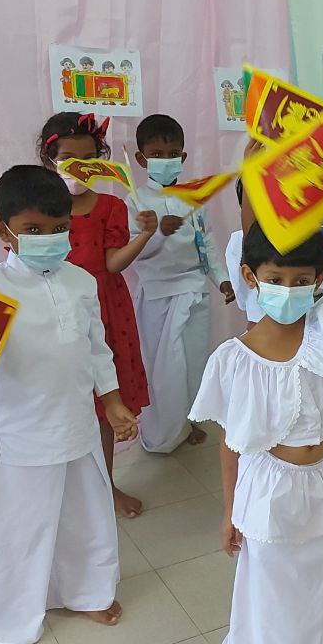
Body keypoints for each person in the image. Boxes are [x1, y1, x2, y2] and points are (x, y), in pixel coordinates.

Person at [0, 165, 138, 643]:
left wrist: (111, 401)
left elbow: (96, 347)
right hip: (25, 432)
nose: (49, 238)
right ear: (3, 231)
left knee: (87, 513)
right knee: (24, 528)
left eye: (59, 228)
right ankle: (13, 619)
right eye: (33, 230)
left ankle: (89, 592)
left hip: (79, 425)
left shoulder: (80, 282)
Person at [193, 225, 323, 642]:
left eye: (301, 280)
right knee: (272, 589)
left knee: (317, 584)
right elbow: (231, 441)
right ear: (250, 276)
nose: (289, 290)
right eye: (276, 280)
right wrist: (230, 510)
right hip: (271, 490)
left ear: (318, 277)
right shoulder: (234, 358)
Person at [38, 111, 154, 519]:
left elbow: (113, 264)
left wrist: (144, 234)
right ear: (50, 159)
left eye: (88, 158)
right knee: (64, 406)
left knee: (106, 406)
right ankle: (63, 493)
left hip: (107, 315)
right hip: (53, 317)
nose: (78, 167)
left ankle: (105, 486)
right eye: (68, 157)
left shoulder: (109, 205)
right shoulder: (36, 207)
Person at [127, 114, 232, 453]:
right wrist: (156, 233)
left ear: (183, 157)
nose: (165, 159)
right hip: (158, 296)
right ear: (142, 159)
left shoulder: (193, 198)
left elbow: (208, 244)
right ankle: (160, 434)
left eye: (173, 152)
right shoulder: (136, 202)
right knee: (163, 369)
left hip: (195, 291)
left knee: (192, 365)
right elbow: (133, 256)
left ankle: (185, 424)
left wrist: (223, 280)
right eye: (156, 154)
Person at [227, 177, 323, 329]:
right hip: (259, 328)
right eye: (275, 280)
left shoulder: (303, 241)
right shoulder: (238, 242)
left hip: (303, 330)